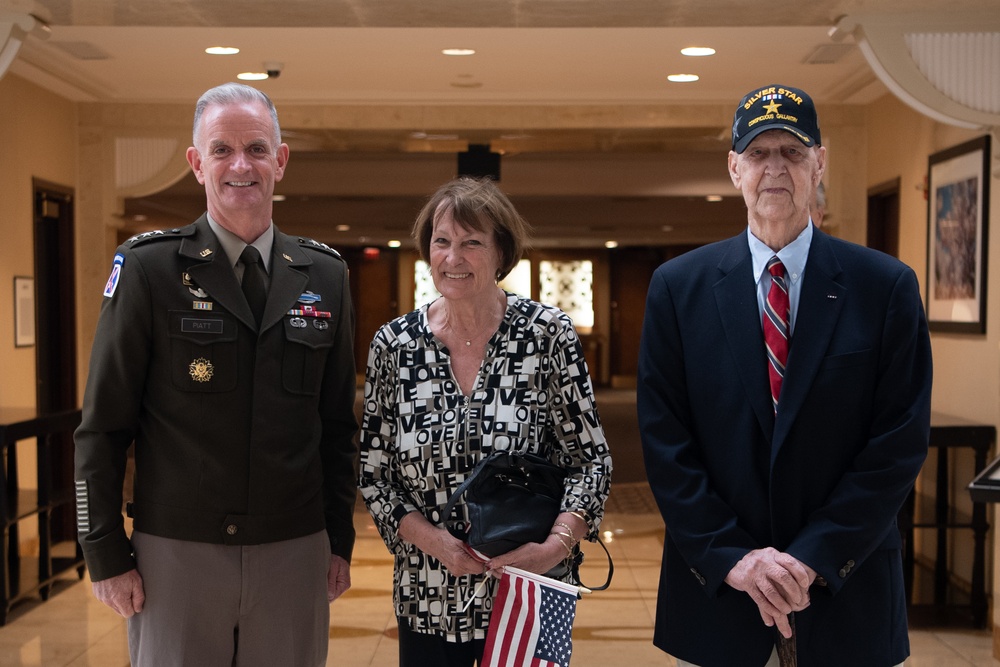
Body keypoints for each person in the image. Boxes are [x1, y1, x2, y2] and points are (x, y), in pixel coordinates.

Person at [637, 84, 932, 667]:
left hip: (846, 595)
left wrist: (813, 558)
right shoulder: (678, 289)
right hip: (719, 598)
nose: (775, 168)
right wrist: (736, 559)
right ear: (734, 168)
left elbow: (897, 444)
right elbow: (666, 443)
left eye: (792, 152)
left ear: (820, 162)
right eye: (759, 153)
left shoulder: (885, 287)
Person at [74, 83, 358, 667]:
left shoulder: (325, 275)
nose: (240, 165)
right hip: (177, 553)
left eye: (256, 148)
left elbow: (336, 427)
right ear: (196, 162)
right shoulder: (149, 269)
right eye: (222, 149)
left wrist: (339, 540)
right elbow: (102, 428)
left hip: (294, 550)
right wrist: (104, 551)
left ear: (280, 160)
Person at [359, 177, 613, 667]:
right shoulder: (394, 346)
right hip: (429, 593)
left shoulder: (547, 336)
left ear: (501, 253)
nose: (453, 257)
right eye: (442, 241)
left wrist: (553, 547)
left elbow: (591, 461)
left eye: (472, 242)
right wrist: (436, 544)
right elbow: (375, 476)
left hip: (531, 592)